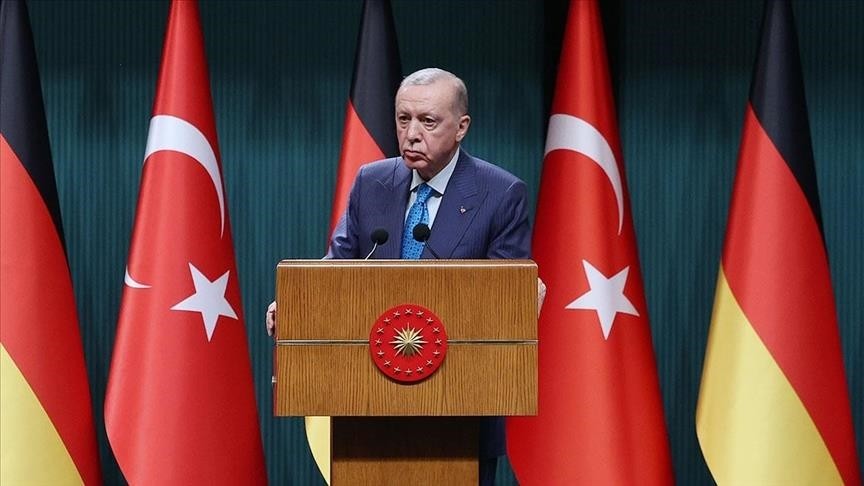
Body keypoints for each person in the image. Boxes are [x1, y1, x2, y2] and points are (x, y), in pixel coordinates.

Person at [267, 67, 539, 485]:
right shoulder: (371, 182)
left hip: (459, 418)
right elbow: (337, 270)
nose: (412, 134)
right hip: (366, 413)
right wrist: (299, 308)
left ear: (461, 127)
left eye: (428, 121)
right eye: (403, 119)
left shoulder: (500, 194)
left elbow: (502, 305)